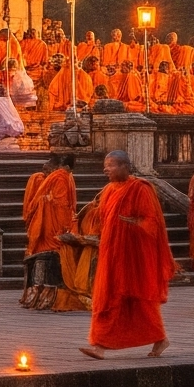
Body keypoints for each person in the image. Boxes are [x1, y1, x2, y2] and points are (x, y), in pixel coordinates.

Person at [80, 150, 174, 359]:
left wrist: (135, 225)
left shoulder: (140, 189)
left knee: (137, 299)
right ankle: (100, 344)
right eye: (105, 165)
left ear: (125, 166)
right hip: (111, 252)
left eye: (111, 165)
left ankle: (156, 338)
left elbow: (152, 223)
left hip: (133, 256)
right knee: (107, 297)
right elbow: (103, 218)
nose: (106, 169)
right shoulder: (108, 190)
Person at [21, 154, 78, 308]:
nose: (46, 172)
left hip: (44, 225)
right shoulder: (58, 177)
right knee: (47, 254)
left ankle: (40, 294)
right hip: (49, 225)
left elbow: (60, 203)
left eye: (49, 169)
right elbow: (62, 205)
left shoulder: (60, 177)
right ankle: (43, 294)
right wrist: (65, 226)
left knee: (43, 255)